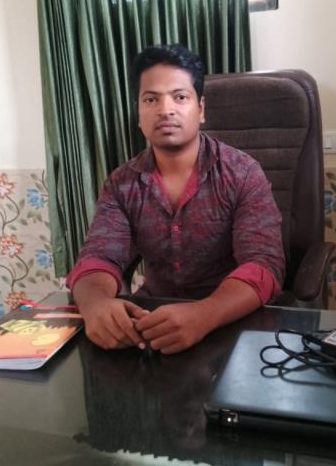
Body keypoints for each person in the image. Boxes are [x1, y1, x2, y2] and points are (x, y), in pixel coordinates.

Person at [67, 44, 284, 354]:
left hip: (231, 321)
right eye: (151, 99)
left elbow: (263, 264)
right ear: (139, 112)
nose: (165, 110)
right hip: (154, 320)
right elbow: (99, 256)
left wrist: (206, 313)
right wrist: (95, 304)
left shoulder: (242, 173)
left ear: (201, 109)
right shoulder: (121, 183)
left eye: (180, 97)